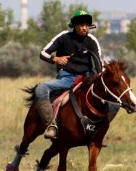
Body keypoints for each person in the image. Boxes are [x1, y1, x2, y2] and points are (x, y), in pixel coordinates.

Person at [35, 10, 106, 139]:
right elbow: (43, 53)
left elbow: (98, 63)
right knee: (40, 89)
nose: (84, 28)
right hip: (66, 78)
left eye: (86, 25)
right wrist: (55, 59)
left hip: (86, 79)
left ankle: (100, 130)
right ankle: (51, 125)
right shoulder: (64, 37)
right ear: (74, 26)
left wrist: (99, 78)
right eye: (81, 25)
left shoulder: (91, 40)